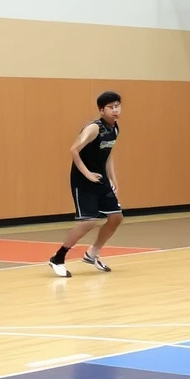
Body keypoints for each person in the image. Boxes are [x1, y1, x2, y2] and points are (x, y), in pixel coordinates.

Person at [49, 91, 123, 277]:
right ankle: (58, 258)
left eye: (117, 106)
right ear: (101, 110)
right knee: (89, 221)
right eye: (110, 107)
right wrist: (88, 174)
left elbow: (108, 155)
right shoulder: (94, 128)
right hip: (83, 179)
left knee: (116, 217)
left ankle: (92, 254)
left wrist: (113, 179)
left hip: (101, 178)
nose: (115, 110)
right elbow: (74, 150)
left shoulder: (114, 128)